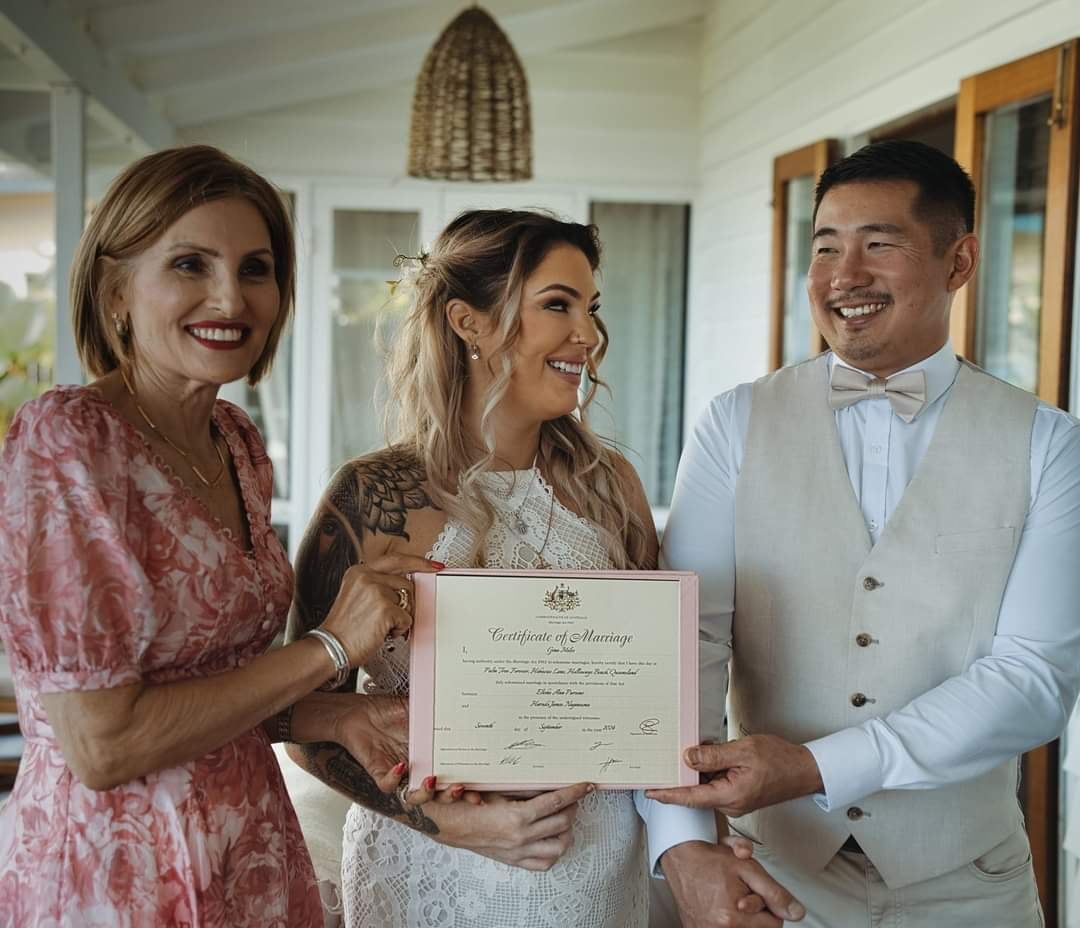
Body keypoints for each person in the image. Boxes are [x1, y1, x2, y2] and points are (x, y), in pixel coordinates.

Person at [638, 139, 1080, 927]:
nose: (845, 276)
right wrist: (681, 846)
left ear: (960, 260)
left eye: (879, 244)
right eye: (825, 248)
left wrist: (815, 765)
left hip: (969, 883)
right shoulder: (735, 422)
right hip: (765, 873)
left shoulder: (1049, 443)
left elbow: (1035, 677)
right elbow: (685, 642)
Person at [0, 145, 430, 927]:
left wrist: (336, 717)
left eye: (256, 268)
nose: (230, 296)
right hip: (118, 870)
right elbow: (104, 745)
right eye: (191, 264)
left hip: (252, 849)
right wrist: (331, 649)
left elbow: (208, 685)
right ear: (115, 289)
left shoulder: (235, 440)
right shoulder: (69, 441)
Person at [286, 209, 676, 928]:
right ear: (469, 321)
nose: (586, 336)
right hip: (431, 871)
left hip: (592, 866)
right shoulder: (371, 495)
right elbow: (294, 712)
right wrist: (440, 822)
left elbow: (652, 694)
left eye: (591, 309)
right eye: (556, 305)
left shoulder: (610, 484)